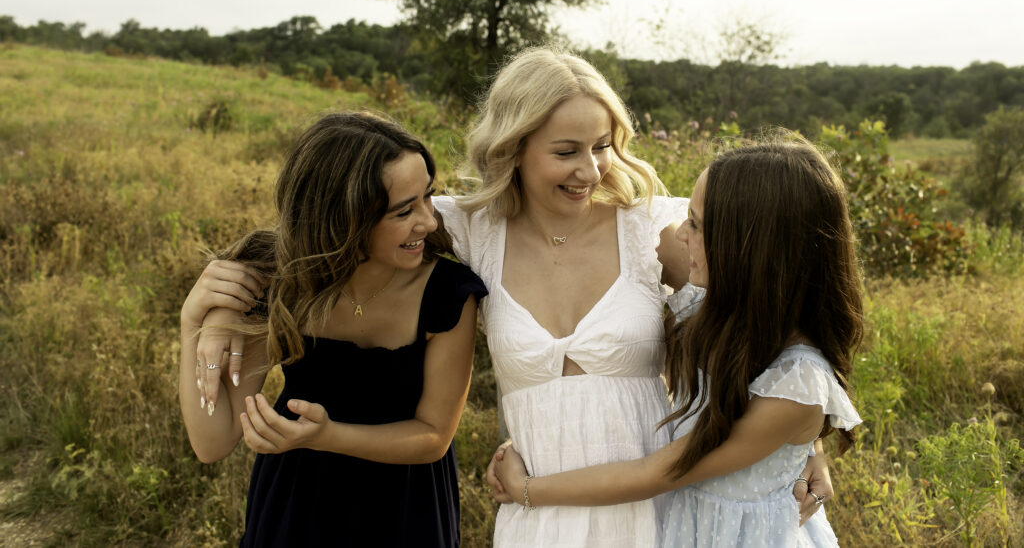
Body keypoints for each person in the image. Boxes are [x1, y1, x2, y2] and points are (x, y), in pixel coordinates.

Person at [186, 48, 835, 546]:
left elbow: (762, 308)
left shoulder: (649, 227)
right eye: (566, 150)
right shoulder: (471, 228)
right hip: (540, 505)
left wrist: (800, 443)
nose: (592, 168)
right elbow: (338, 225)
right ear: (515, 147)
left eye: (603, 145)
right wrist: (216, 315)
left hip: (653, 503)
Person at [491, 137, 864, 547]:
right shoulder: (710, 311)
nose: (681, 234)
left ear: (753, 249)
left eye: (697, 223)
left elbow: (658, 472)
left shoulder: (799, 384)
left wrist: (527, 489)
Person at [178, 111, 486, 547]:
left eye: (427, 199)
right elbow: (213, 442)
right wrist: (192, 321)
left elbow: (433, 436)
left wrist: (327, 436)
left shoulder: (448, 294)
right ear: (344, 219)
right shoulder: (282, 286)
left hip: (404, 509)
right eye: (404, 211)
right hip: (299, 507)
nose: (430, 222)